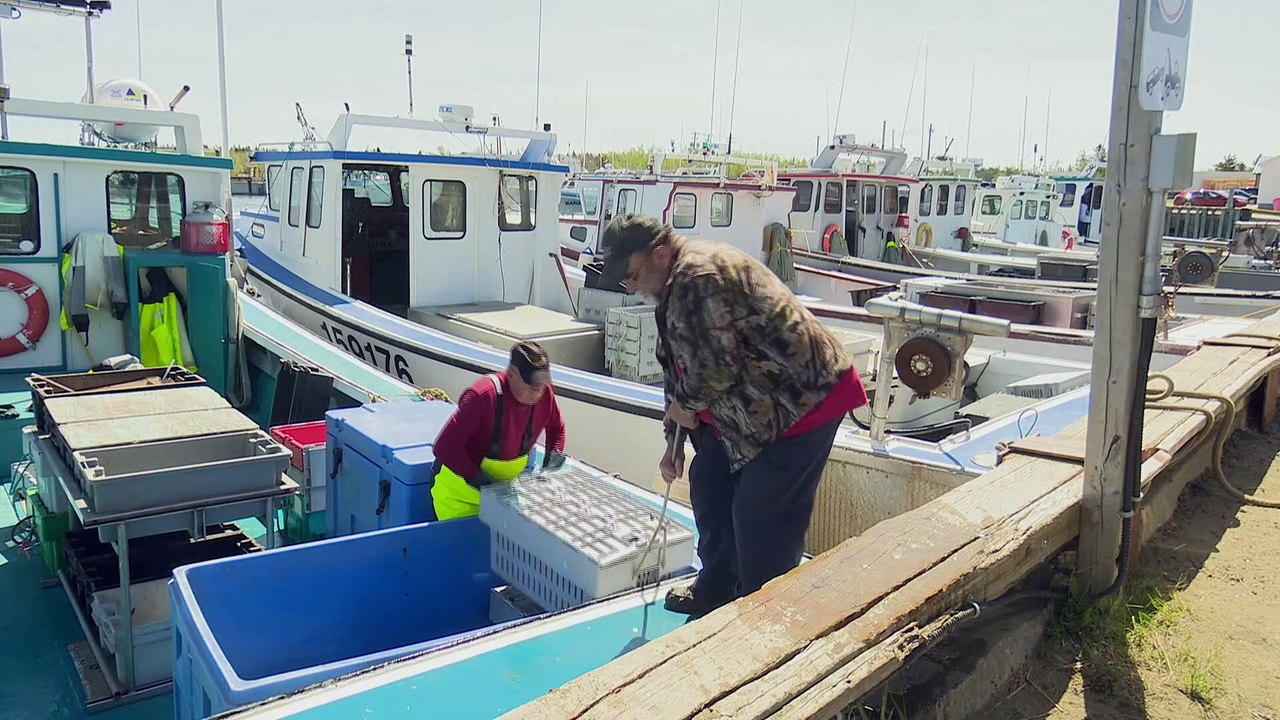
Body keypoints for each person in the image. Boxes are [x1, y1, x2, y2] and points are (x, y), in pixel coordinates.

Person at [598, 214, 869, 618]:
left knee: (761, 521)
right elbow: (681, 367)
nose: (631, 287)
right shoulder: (671, 287)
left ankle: (762, 618)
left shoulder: (698, 278)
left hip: (800, 403)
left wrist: (685, 407)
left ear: (659, 254)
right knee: (708, 482)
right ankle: (717, 587)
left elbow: (716, 369)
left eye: (632, 275)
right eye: (625, 281)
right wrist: (673, 438)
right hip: (749, 410)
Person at [429, 341, 568, 520]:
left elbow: (557, 428)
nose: (538, 391)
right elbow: (444, 448)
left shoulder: (545, 394)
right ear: (511, 374)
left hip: (501, 494)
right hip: (458, 495)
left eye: (541, 385)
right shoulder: (483, 396)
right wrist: (481, 481)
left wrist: (552, 462)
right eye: (531, 384)